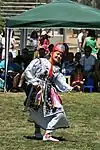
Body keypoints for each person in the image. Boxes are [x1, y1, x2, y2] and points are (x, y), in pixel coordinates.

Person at [23, 43, 75, 142]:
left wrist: (72, 88)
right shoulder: (41, 61)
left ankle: (47, 133)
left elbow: (61, 82)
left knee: (59, 112)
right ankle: (38, 132)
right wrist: (35, 83)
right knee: (37, 110)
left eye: (61, 55)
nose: (58, 56)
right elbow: (28, 71)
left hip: (48, 92)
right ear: (51, 53)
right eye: (57, 54)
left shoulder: (56, 70)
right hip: (37, 90)